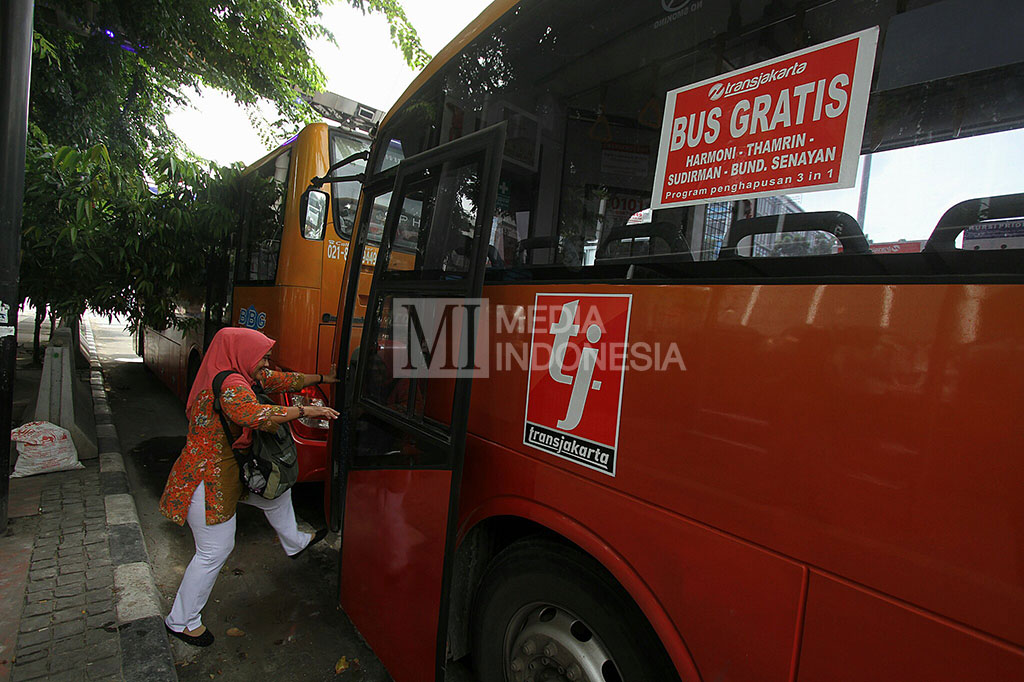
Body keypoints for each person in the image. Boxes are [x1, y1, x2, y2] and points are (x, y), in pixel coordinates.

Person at [158, 327, 340, 646]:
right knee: (215, 550)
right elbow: (252, 414)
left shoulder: (243, 374)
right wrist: (306, 410)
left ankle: (295, 541)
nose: (266, 363)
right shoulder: (230, 384)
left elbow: (283, 380)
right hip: (207, 479)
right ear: (242, 353)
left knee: (276, 495)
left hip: (227, 472)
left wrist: (323, 378)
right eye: (263, 356)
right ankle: (181, 620)